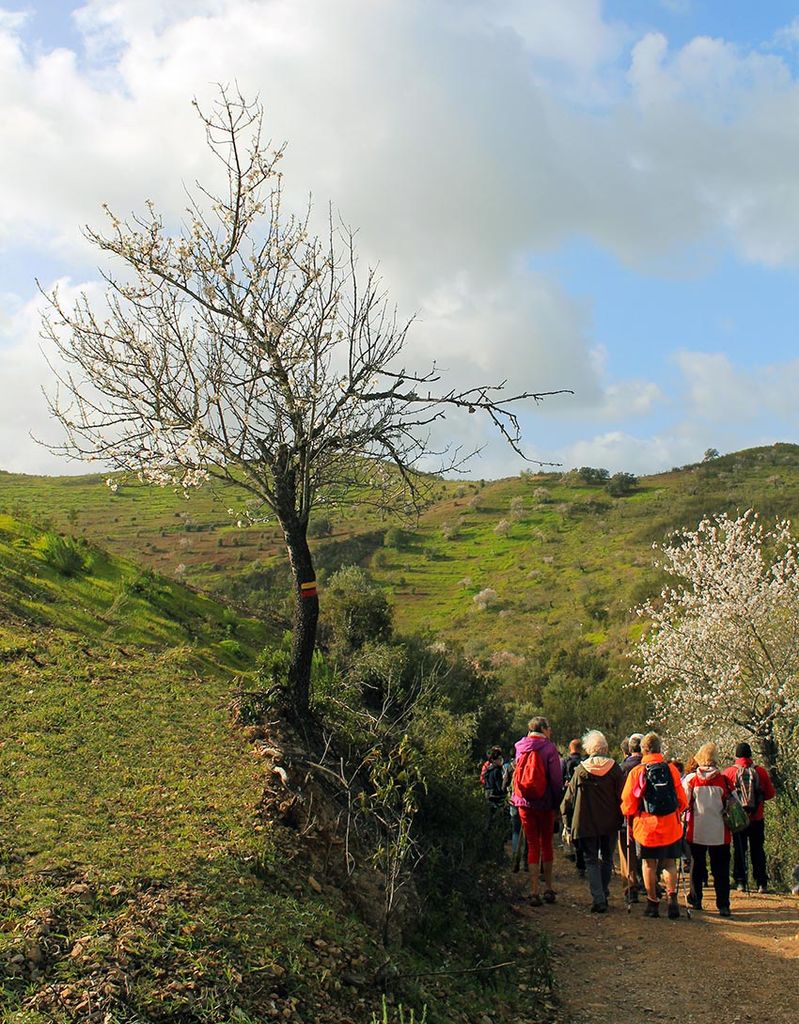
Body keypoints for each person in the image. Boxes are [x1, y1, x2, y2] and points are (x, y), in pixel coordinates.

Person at [621, 732, 688, 918]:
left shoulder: (638, 772)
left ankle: (652, 904)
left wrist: (631, 816)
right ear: (660, 748)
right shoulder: (672, 770)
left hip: (646, 828)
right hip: (671, 827)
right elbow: (682, 800)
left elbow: (627, 803)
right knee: (669, 863)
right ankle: (672, 898)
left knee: (648, 864)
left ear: (643, 750)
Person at [561, 730, 623, 913]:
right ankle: (603, 891)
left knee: (590, 859)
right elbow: (622, 795)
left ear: (588, 749)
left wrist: (566, 820)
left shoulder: (580, 770)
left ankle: (599, 898)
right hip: (610, 822)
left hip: (586, 821)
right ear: (605, 747)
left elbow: (568, 798)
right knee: (607, 858)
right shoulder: (615, 768)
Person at [511, 715, 563, 906]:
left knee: (532, 844)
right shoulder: (549, 748)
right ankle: (548, 888)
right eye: (549, 727)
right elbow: (556, 779)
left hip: (524, 803)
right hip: (545, 803)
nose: (550, 731)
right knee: (546, 843)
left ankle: (534, 891)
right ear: (543, 729)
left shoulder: (520, 747)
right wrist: (557, 803)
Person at [682, 742, 732, 917]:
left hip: (697, 830)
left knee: (697, 865)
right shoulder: (724, 780)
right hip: (720, 831)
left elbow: (683, 804)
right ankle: (723, 904)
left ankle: (696, 899)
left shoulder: (691, 780)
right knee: (721, 869)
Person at [722, 741, 776, 893]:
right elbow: (770, 794)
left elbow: (725, 796)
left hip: (738, 819)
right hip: (757, 817)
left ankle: (740, 882)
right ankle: (761, 882)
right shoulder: (760, 771)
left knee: (740, 849)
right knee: (757, 849)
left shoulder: (728, 773)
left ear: (736, 756)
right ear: (751, 755)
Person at [618, 733, 644, 903]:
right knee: (648, 852)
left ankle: (631, 886)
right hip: (647, 816)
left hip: (626, 815)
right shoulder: (650, 766)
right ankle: (651, 883)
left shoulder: (621, 768)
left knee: (627, 853)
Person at [483, 751, 505, 828]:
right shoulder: (497, 771)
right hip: (495, 796)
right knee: (496, 817)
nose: (501, 760)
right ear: (494, 760)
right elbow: (499, 786)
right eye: (499, 758)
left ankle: (488, 834)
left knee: (489, 817)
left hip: (488, 793)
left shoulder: (488, 769)